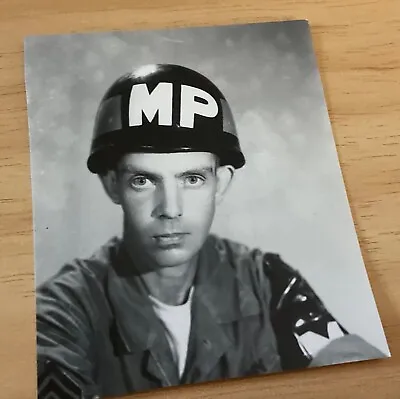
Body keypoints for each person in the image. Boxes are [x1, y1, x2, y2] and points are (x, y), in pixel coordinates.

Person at [36, 64, 384, 399]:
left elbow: (352, 365)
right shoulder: (62, 311)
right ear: (113, 185)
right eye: (143, 180)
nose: (170, 209)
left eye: (192, 179)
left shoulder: (267, 282)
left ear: (222, 182)